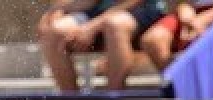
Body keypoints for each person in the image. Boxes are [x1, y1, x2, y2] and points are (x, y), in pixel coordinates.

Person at [37, 0, 167, 91]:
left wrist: (94, 26)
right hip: (102, 12)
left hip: (141, 9)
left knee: (115, 25)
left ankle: (114, 98)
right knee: (54, 32)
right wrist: (56, 12)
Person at [138, 0, 213, 73]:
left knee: (199, 42)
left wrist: (202, 19)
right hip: (190, 10)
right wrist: (186, 15)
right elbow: (172, 4)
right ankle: (177, 82)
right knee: (152, 40)